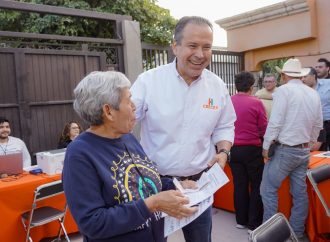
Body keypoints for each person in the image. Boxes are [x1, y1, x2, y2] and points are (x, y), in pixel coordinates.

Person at [131, 16, 236, 242]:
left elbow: (225, 125)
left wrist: (223, 152)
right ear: (175, 47)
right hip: (155, 186)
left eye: (206, 47)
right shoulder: (148, 82)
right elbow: (124, 122)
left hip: (199, 186)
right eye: (192, 46)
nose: (200, 54)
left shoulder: (217, 86)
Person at [62, 71, 197, 242]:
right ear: (108, 111)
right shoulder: (79, 154)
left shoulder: (127, 137)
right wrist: (152, 204)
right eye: (128, 100)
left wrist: (176, 185)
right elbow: (92, 223)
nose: (134, 106)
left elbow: (141, 181)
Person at [260, 58, 323, 239]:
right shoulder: (312, 93)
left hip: (286, 149)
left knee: (268, 190)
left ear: (283, 75)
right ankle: (296, 233)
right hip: (303, 150)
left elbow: (275, 122)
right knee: (299, 194)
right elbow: (318, 125)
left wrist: (266, 146)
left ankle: (270, 235)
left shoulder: (284, 91)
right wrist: (309, 143)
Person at [230, 71, 267, 231]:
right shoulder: (256, 102)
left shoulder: (228, 101)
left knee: (239, 184)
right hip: (252, 149)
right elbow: (264, 127)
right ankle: (254, 223)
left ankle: (240, 220)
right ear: (252, 86)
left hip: (233, 148)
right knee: (256, 185)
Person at [302, 67, 327, 151]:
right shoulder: (301, 91)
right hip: (308, 123)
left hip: (323, 123)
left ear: (313, 76)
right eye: (302, 77)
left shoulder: (327, 85)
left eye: (305, 76)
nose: (303, 79)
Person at [315, 58, 330, 150]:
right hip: (316, 125)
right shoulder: (312, 82)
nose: (317, 69)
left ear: (328, 68)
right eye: (316, 67)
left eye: (320, 67)